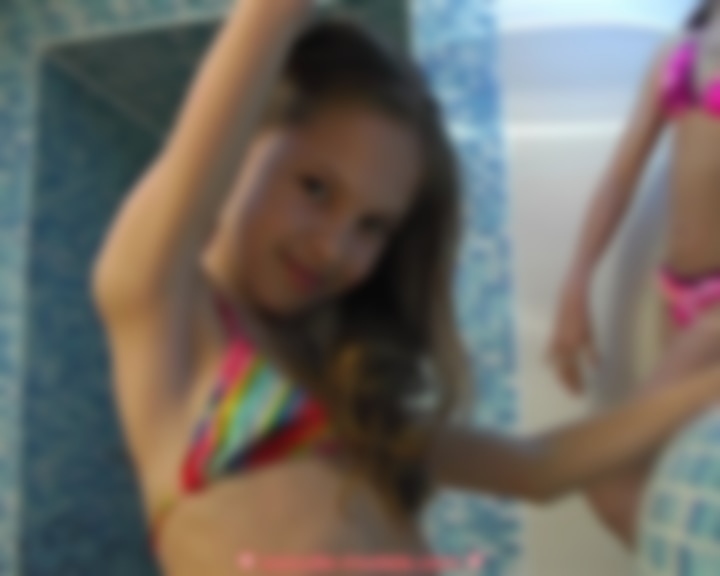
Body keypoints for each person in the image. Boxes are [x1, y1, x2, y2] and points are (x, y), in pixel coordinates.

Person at [92, 1, 720, 574]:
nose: (334, 247)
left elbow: (538, 468)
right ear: (242, 140)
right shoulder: (163, 308)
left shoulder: (345, 397)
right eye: (315, 188)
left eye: (373, 226)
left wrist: (706, 387)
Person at [549, 0, 720, 549]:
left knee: (609, 474)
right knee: (686, 483)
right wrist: (576, 284)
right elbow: (619, 178)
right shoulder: (678, 51)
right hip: (679, 301)